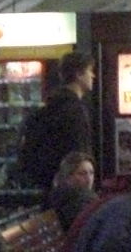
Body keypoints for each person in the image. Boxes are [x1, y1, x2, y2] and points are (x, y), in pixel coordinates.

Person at [14, 51, 94, 189]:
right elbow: (78, 152)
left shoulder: (49, 105)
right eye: (89, 71)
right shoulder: (75, 110)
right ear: (78, 74)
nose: (93, 76)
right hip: (72, 187)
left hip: (49, 185)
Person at [45, 150, 97, 232]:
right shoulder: (77, 200)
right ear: (68, 177)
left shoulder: (60, 195)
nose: (89, 179)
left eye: (91, 173)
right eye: (82, 173)